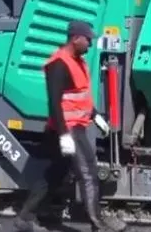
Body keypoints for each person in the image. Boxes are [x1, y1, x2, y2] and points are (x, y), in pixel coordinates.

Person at [14, 21, 126, 232]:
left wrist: (95, 116)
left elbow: (78, 96)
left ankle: (24, 218)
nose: (90, 44)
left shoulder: (77, 61)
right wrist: (64, 135)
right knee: (89, 174)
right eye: (88, 39)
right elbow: (55, 102)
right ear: (75, 38)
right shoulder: (59, 64)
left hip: (76, 126)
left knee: (54, 175)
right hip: (68, 129)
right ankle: (98, 224)